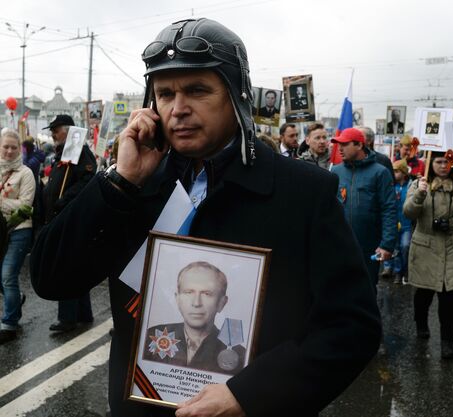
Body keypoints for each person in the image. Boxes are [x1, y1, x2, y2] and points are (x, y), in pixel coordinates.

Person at [30, 18, 381, 417]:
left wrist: (250, 395)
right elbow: (51, 277)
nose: (178, 109)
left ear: (235, 96)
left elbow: (351, 326)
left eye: (197, 90)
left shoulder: (304, 191)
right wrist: (119, 183)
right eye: (164, 94)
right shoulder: (136, 183)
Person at [403, 151, 453, 360]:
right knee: (423, 294)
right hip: (425, 246)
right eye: (439, 161)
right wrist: (420, 195)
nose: (443, 166)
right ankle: (421, 324)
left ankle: (447, 342)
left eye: (447, 162)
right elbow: (408, 213)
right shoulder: (417, 184)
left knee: (449, 296)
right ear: (431, 164)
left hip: (452, 245)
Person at [41, 114, 97, 333]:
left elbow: (87, 181)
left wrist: (64, 200)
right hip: (59, 219)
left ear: (68, 131)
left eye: (56, 130)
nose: (53, 134)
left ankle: (67, 319)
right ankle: (83, 313)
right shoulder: (62, 153)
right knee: (75, 268)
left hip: (71, 220)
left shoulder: (80, 151)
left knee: (65, 268)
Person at [143, 261, 245, 374]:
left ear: (222, 303)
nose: (196, 303)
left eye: (207, 293)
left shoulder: (239, 355)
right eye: (188, 292)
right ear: (177, 299)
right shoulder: (150, 336)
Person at [331, 127, 397, 291]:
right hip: (341, 244)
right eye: (338, 144)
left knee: (366, 290)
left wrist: (387, 245)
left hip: (369, 246)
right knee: (341, 289)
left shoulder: (380, 172)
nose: (340, 148)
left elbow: (389, 209)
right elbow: (330, 207)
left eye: (344, 144)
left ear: (359, 145)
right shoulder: (336, 171)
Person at [0, 130, 36, 343]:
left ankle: (9, 323)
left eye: (14, 147)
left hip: (20, 229)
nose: (9, 150)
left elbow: (26, 205)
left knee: (7, 275)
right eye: (6, 146)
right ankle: (17, 299)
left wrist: (2, 204)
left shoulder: (26, 173)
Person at [387, 159, 412, 284]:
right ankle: (398, 271)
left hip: (406, 224)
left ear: (403, 172)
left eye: (396, 171)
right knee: (395, 249)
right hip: (394, 223)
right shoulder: (391, 185)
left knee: (405, 246)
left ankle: (406, 270)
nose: (394, 174)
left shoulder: (410, 185)